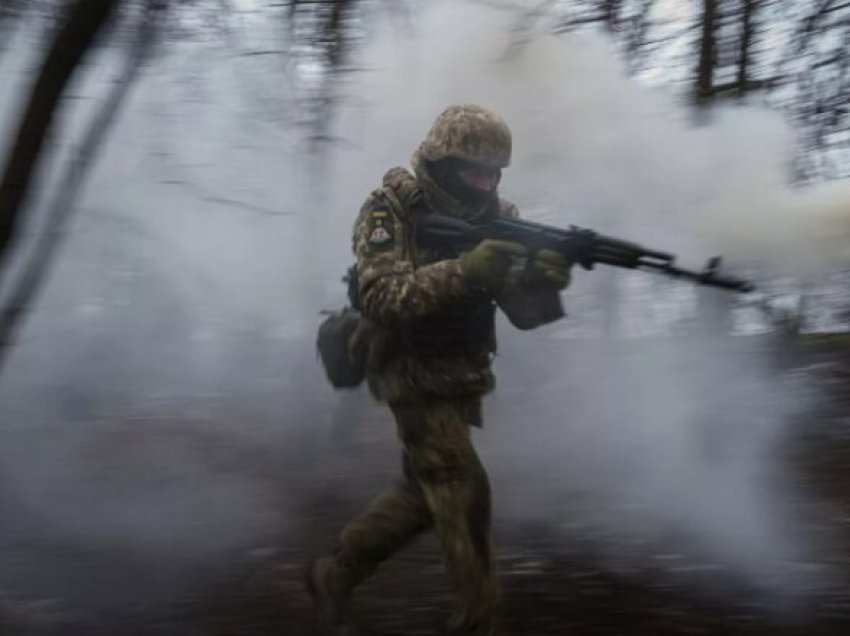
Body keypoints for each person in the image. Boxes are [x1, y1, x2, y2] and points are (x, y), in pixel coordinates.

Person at [306, 104, 571, 635]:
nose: (488, 182)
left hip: (461, 371)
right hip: (405, 365)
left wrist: (543, 283)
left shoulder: (501, 216)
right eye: (476, 170)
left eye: (496, 172)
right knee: (462, 488)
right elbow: (382, 297)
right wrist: (465, 270)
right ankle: (479, 619)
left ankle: (336, 574)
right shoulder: (390, 211)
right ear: (445, 164)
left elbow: (523, 316)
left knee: (425, 495)